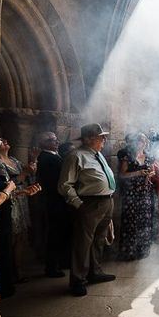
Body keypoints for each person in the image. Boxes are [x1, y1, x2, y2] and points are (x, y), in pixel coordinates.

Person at [58, 123, 118, 296]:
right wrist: (78, 204)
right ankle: (78, 280)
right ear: (89, 139)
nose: (104, 139)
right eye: (101, 136)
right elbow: (64, 185)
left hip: (106, 201)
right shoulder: (76, 156)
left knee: (99, 239)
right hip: (89, 204)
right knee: (82, 243)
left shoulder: (97, 155)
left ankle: (95, 272)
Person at [0, 133, 41, 298]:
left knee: (21, 236)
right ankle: (9, 273)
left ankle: (17, 270)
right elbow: (10, 183)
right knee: (10, 237)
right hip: (8, 202)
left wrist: (32, 164)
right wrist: (24, 175)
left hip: (19, 199)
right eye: (0, 140)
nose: (5, 141)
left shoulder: (14, 160)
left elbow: (28, 177)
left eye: (5, 139)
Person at [116, 133, 159, 261]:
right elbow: (122, 175)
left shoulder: (148, 156)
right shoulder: (127, 156)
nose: (144, 142)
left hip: (145, 192)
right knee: (130, 221)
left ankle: (142, 250)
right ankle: (129, 252)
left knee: (144, 221)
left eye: (145, 140)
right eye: (141, 140)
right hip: (131, 193)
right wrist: (139, 172)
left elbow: (152, 171)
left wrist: (149, 174)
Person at [35, 131, 70, 278]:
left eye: (56, 139)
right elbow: (53, 181)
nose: (56, 142)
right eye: (51, 140)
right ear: (42, 143)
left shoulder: (54, 155)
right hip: (54, 200)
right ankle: (52, 267)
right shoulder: (46, 158)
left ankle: (60, 262)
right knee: (54, 233)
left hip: (58, 199)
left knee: (60, 232)